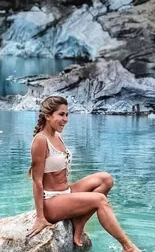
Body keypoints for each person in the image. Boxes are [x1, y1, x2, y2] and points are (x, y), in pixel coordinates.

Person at [27, 96, 141, 251]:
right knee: (100, 200)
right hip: (51, 202)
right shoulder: (41, 141)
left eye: (67, 114)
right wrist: (40, 217)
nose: (66, 119)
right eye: (61, 114)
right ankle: (128, 246)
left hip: (65, 193)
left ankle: (79, 223)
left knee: (105, 179)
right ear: (48, 115)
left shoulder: (57, 135)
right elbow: (37, 181)